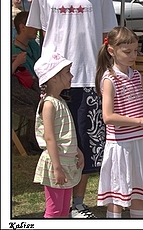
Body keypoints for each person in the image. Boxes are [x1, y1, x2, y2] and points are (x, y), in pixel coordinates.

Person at [27, 0, 118, 218]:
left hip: (88, 77)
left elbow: (107, 33)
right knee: (57, 142)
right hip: (55, 80)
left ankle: (78, 203)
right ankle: (57, 202)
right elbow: (38, 32)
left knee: (87, 147)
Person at [95, 26, 143, 218]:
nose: (133, 55)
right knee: (118, 196)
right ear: (112, 51)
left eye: (135, 51)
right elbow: (108, 117)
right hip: (121, 144)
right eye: (127, 51)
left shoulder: (136, 75)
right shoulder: (109, 79)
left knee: (138, 191)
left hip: (139, 141)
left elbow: (139, 105)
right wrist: (140, 121)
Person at [32, 52, 84, 218]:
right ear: (53, 77)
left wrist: (76, 150)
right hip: (58, 163)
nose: (72, 75)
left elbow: (64, 133)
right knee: (54, 212)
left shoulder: (60, 101)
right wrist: (57, 168)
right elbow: (50, 138)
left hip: (66, 161)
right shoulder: (48, 104)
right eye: (67, 71)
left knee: (62, 211)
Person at [12, 11, 41, 81]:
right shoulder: (14, 51)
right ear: (22, 27)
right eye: (33, 25)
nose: (37, 29)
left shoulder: (33, 43)